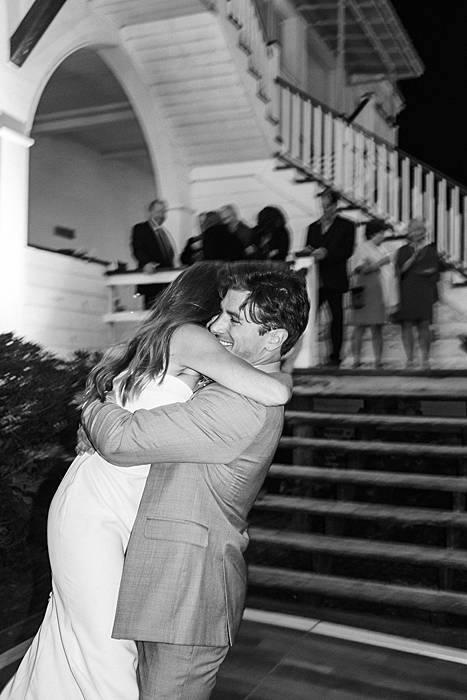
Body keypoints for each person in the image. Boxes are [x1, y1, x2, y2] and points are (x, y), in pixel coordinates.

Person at [1, 262, 303, 700]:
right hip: (99, 507)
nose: (220, 323)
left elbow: (125, 432)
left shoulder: (213, 373)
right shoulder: (192, 341)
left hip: (138, 531)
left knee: (84, 643)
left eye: (233, 317)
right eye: (220, 311)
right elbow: (125, 436)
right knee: (103, 652)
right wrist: (93, 406)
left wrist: (91, 404)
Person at [305, 187, 355, 367]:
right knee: (308, 318)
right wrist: (309, 252)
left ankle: (335, 356)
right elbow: (307, 249)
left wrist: (327, 253)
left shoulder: (347, 226)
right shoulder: (313, 227)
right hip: (316, 280)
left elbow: (347, 251)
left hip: (335, 278)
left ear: (335, 206)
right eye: (323, 206)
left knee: (337, 318)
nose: (325, 210)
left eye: (328, 206)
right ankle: (306, 354)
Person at [394, 218, 446, 370]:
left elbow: (435, 270)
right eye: (414, 230)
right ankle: (410, 359)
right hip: (407, 289)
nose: (417, 233)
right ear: (409, 233)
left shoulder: (431, 250)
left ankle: (425, 359)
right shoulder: (403, 250)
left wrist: (426, 272)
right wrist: (413, 257)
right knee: (407, 325)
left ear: (424, 232)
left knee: (424, 324)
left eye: (420, 230)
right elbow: (400, 270)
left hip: (425, 291)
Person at [349, 219, 397, 368]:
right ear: (373, 233)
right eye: (381, 232)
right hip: (364, 290)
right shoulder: (363, 248)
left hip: (378, 291)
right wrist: (381, 262)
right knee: (360, 327)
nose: (383, 236)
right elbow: (360, 269)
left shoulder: (380, 248)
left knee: (377, 327)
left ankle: (378, 360)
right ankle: (356, 359)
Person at [131, 198, 176, 308]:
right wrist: (146, 263)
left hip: (167, 284)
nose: (161, 215)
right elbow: (137, 249)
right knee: (152, 315)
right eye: (158, 211)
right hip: (151, 281)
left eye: (163, 212)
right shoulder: (141, 228)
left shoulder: (164, 232)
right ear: (150, 212)